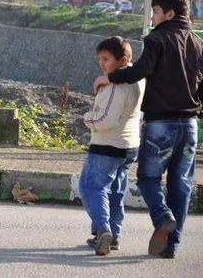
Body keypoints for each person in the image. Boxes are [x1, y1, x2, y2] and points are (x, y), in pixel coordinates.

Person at [94, 0, 203, 259]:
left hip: (161, 124)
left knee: (148, 177)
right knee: (181, 185)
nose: (152, 18)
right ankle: (171, 246)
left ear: (169, 13)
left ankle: (163, 216)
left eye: (155, 12)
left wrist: (112, 77)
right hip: (190, 125)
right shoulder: (199, 44)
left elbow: (141, 70)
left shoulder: (158, 39)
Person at [80, 36, 144, 256]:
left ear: (123, 60)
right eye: (99, 58)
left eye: (106, 59)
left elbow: (106, 119)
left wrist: (87, 117)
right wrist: (106, 79)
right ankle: (113, 236)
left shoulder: (117, 85)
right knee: (115, 192)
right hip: (129, 146)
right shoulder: (136, 79)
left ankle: (103, 229)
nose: (102, 63)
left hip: (108, 145)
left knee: (90, 187)